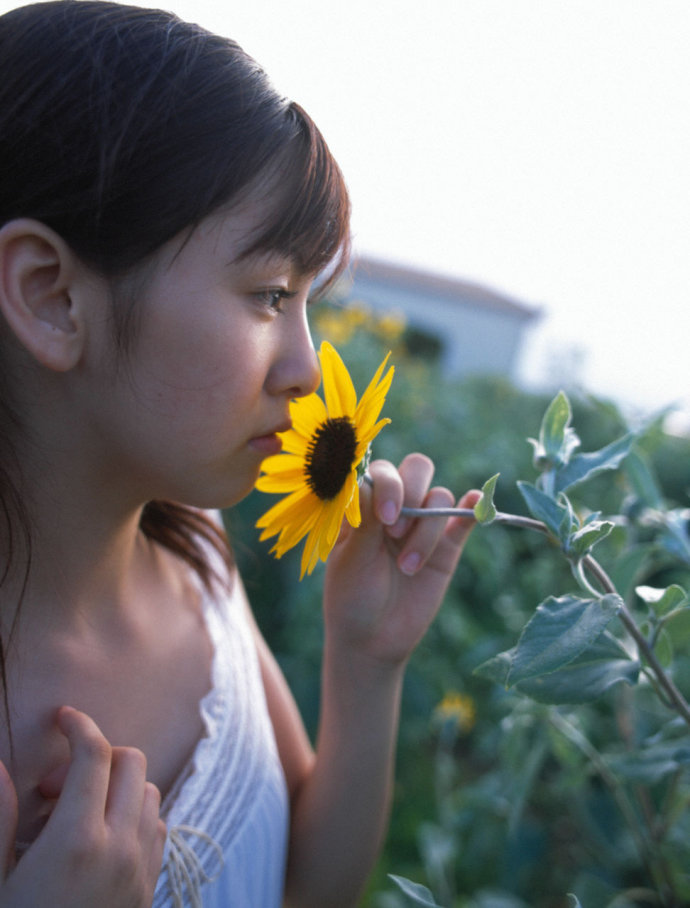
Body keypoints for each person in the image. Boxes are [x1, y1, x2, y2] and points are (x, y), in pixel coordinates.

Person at [0, 2, 480, 905]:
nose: (307, 368)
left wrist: (367, 658)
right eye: (268, 294)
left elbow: (304, 884)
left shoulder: (200, 555)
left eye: (310, 302)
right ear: (53, 297)